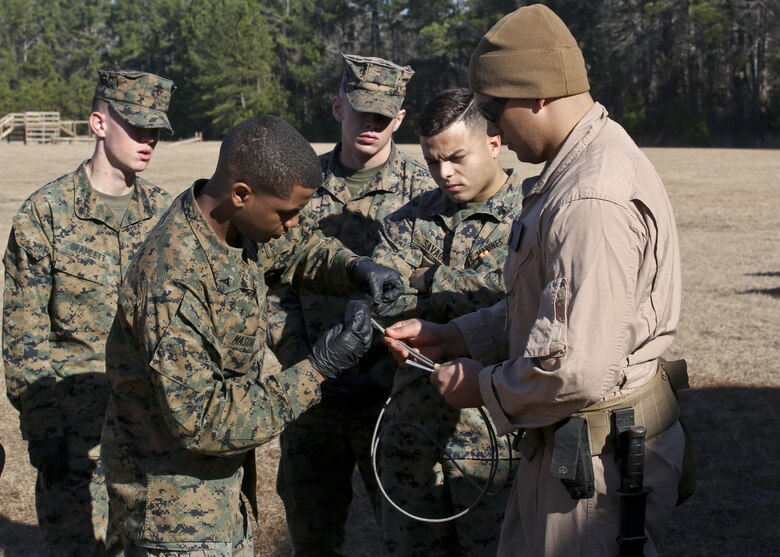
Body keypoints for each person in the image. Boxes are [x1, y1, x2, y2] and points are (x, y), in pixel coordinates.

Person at [382, 5, 688, 556]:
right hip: (573, 452)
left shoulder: (590, 197)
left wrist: (484, 386)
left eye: (496, 110)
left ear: (541, 97)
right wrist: (455, 336)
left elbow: (579, 367)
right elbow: (555, 307)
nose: (492, 128)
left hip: (591, 472)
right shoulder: (581, 164)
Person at [100, 115, 404, 556]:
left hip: (217, 497)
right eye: (288, 213)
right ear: (241, 193)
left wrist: (356, 268)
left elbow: (297, 251)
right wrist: (319, 369)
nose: (294, 224)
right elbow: (204, 420)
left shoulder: (233, 226)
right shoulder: (173, 280)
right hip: (175, 519)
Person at [266, 53, 436, 555]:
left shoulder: (425, 191)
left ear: (400, 119)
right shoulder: (298, 186)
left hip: (395, 397)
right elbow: (273, 285)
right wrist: (306, 363)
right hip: (312, 395)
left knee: (410, 535)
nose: (372, 124)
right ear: (338, 107)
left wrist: (387, 371)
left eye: (384, 116)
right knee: (312, 534)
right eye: (362, 110)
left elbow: (433, 296)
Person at [3, 69, 175, 556]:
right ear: (99, 123)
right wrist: (46, 437)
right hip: (80, 441)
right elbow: (24, 337)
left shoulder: (168, 215)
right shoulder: (45, 215)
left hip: (153, 436)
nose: (149, 140)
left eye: (156, 130)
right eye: (137, 126)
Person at [370, 88, 524, 556]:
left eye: (456, 157)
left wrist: (430, 277)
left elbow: (515, 304)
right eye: (433, 162)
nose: (444, 174)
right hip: (410, 438)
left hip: (494, 445)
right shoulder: (409, 219)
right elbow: (383, 299)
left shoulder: (529, 220)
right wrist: (463, 290)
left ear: (494, 140)